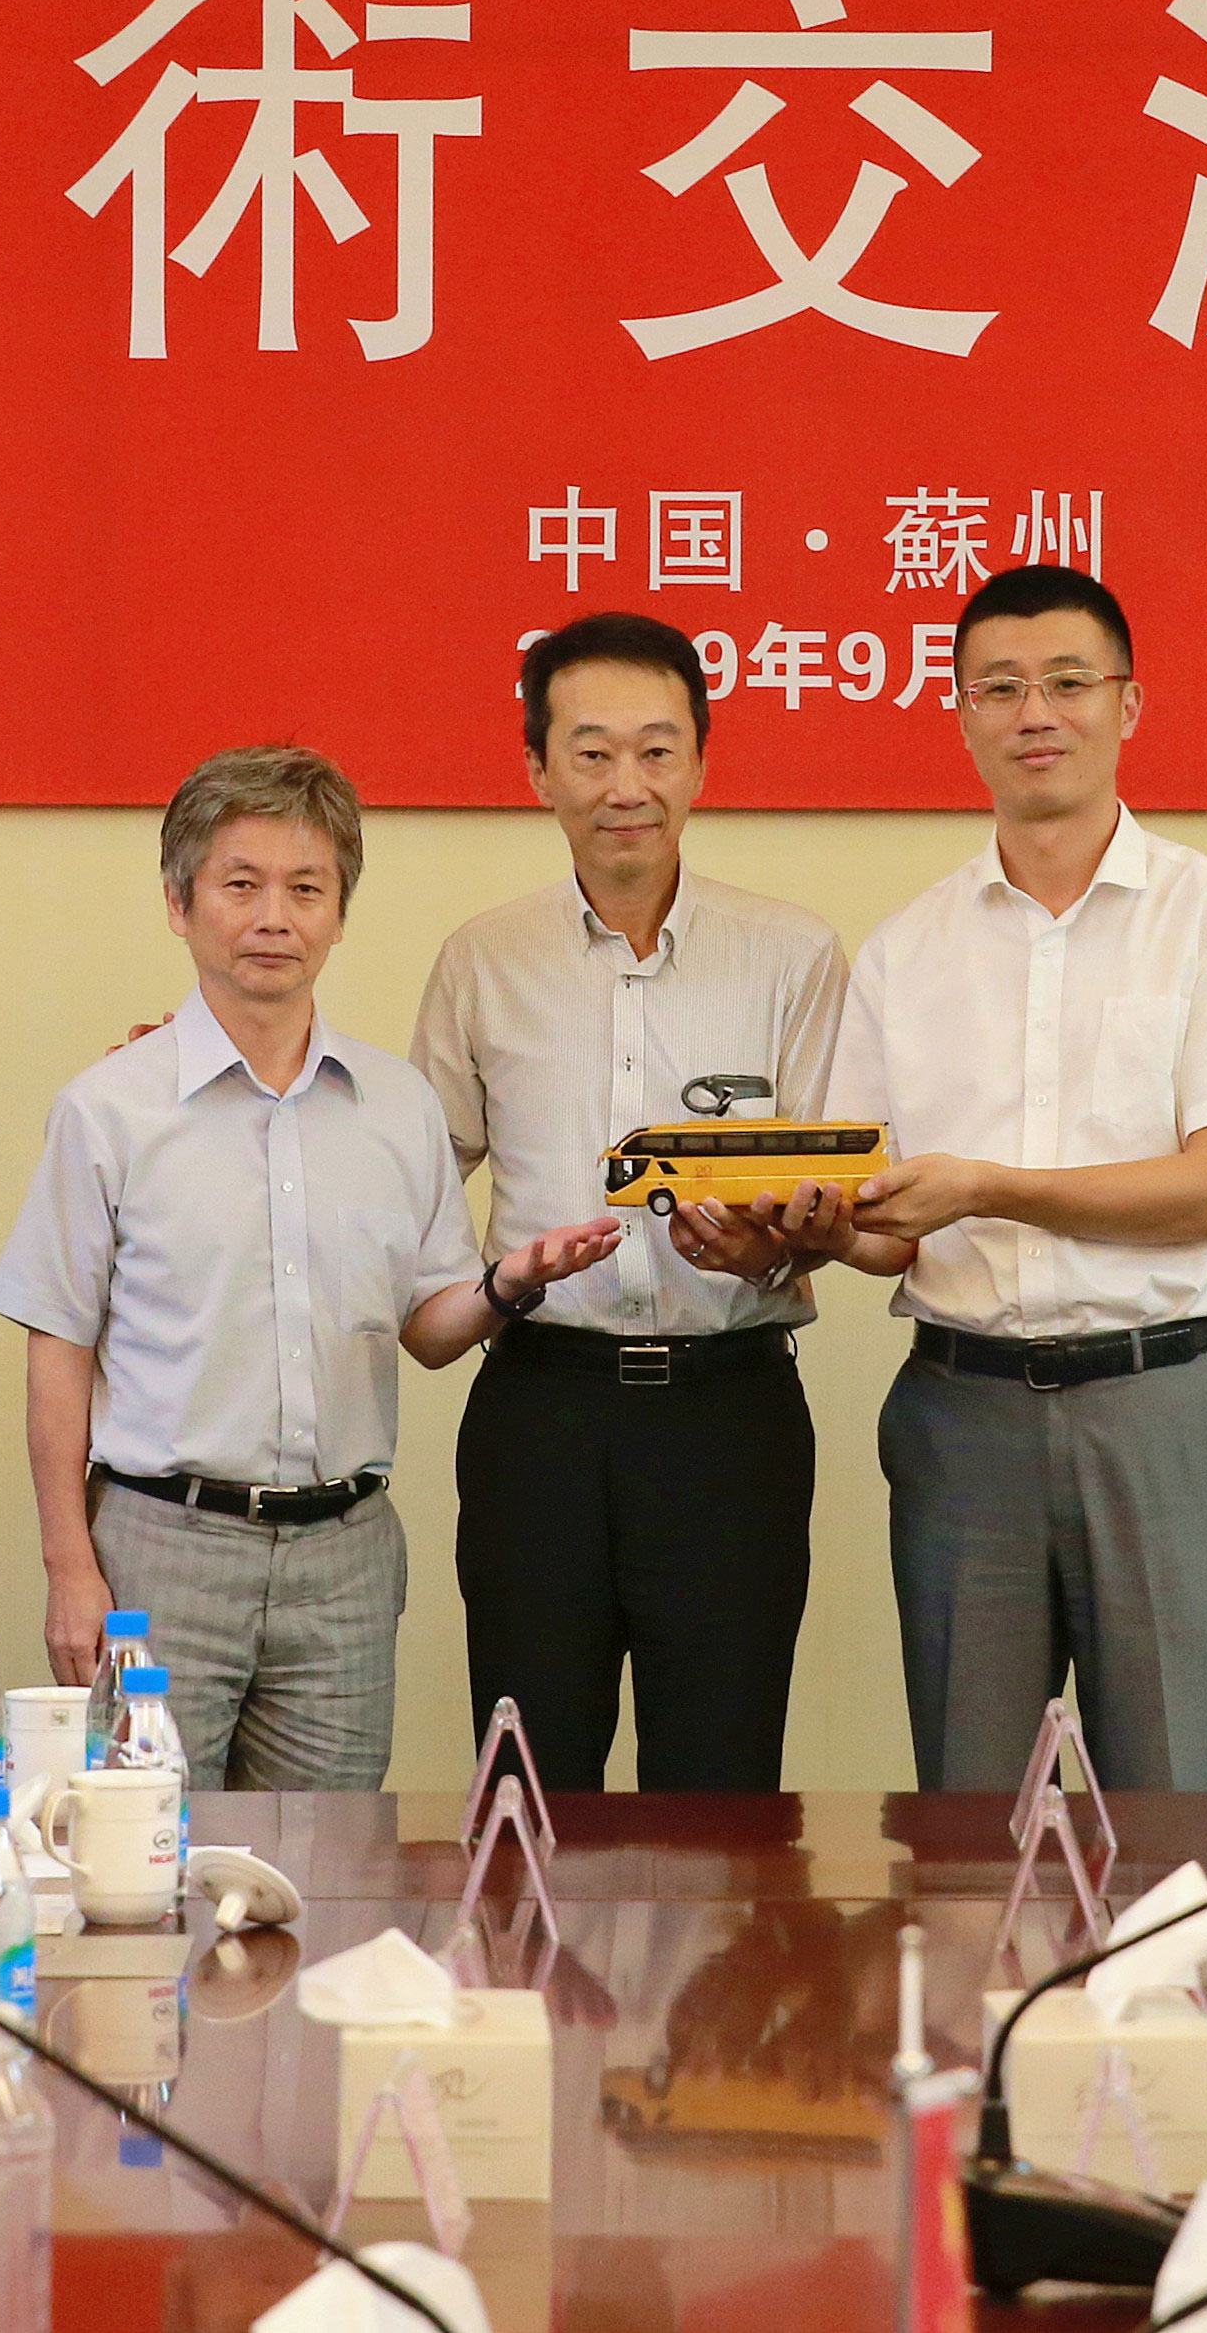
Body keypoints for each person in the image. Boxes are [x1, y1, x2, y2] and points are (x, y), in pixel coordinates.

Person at [0, 745, 620, 1790]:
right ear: (180, 903)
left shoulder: (398, 1106)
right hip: (160, 1546)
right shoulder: (108, 1108)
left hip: (344, 1558)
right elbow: (58, 1346)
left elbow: (427, 1331)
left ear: (338, 914)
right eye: (240, 885)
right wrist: (69, 1565)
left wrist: (509, 1284)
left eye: (306, 889)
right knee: (144, 1853)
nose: (273, 918)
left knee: (326, 1868)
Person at [782, 565, 1207, 1792]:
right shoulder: (906, 949)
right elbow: (885, 1228)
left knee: (1177, 1812)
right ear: (959, 713)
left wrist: (985, 1186)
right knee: (973, 1825)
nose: (1035, 713)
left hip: (1161, 1404)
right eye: (1000, 688)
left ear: (1127, 705)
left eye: (1068, 682)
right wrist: (812, 1229)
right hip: (961, 1415)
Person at [408, 614, 848, 1792]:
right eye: (591, 753)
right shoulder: (481, 961)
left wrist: (773, 1245)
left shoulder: (792, 955)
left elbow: (840, 1196)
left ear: (699, 763)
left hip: (730, 1419)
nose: (625, 787)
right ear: (537, 771)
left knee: (721, 1792)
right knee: (529, 1788)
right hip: (540, 1415)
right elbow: (407, 1183)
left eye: (656, 751)